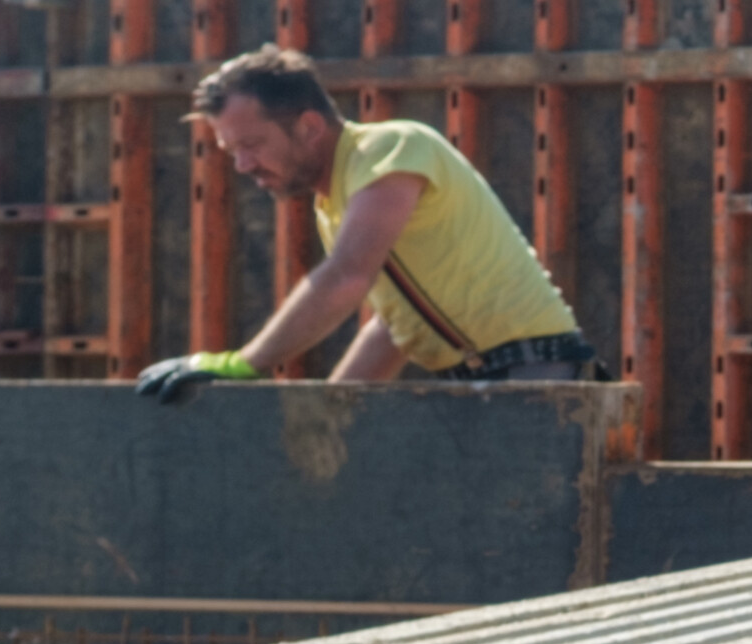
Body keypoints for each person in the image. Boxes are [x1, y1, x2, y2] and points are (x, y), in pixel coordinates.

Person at [134, 47, 601, 400]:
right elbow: (398, 324)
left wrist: (243, 364)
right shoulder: (335, 202)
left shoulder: (389, 148)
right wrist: (333, 411)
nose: (241, 165)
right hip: (489, 383)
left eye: (252, 144)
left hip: (535, 374)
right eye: (231, 151)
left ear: (310, 127)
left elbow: (346, 276)